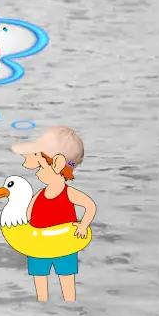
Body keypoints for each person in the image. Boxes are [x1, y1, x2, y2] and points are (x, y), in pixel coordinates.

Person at [11, 126, 96, 303]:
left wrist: (83, 225)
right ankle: (43, 309)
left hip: (64, 246)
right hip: (39, 247)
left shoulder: (68, 194)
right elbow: (26, 219)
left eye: (40, 164)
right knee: (40, 282)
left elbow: (90, 206)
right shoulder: (38, 196)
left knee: (66, 282)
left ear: (56, 164)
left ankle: (68, 308)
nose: (36, 170)